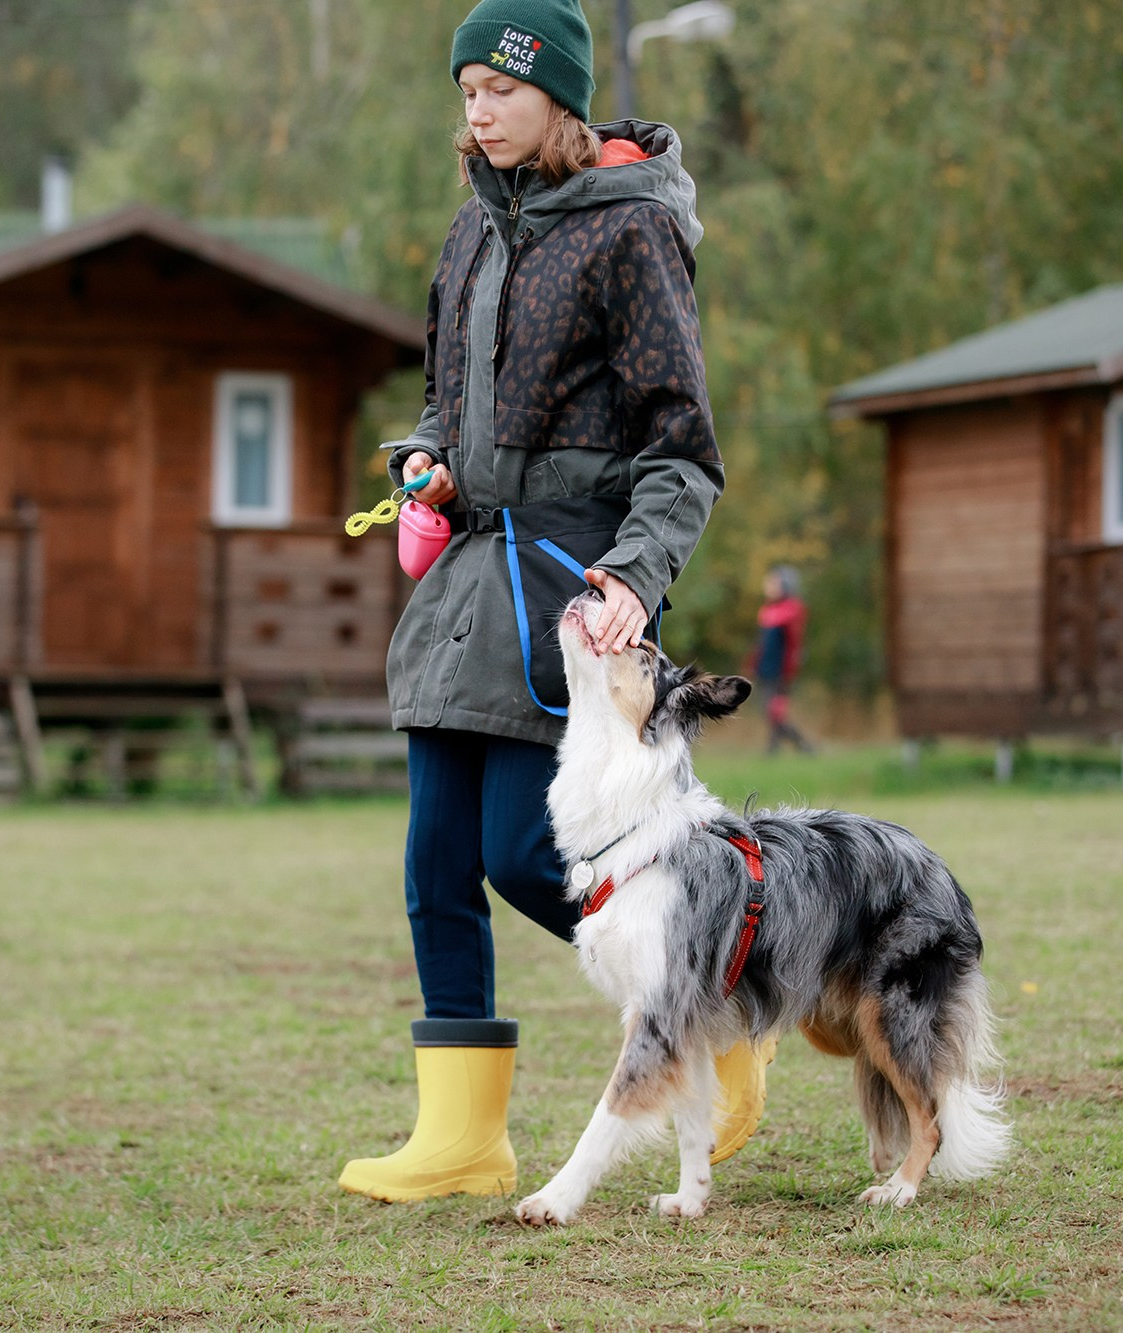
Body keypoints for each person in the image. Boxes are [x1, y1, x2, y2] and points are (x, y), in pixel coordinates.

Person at [338, 0, 775, 1204]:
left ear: (560, 101)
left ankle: (715, 1019)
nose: (476, 111)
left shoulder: (631, 233)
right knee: (435, 860)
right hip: (463, 583)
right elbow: (441, 399)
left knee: (520, 852)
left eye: (500, 89)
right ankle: (463, 1141)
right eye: (465, 90)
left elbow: (679, 448)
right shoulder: (468, 231)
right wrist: (423, 457)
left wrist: (634, 576)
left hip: (571, 590)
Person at [751, 565, 814, 754]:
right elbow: (761, 644)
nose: (768, 586)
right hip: (765, 669)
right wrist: (753, 663)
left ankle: (802, 745)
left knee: (775, 712)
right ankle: (776, 748)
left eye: (774, 582)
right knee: (771, 711)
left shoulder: (793, 610)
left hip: (780, 670)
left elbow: (794, 645)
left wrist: (789, 672)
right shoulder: (768, 611)